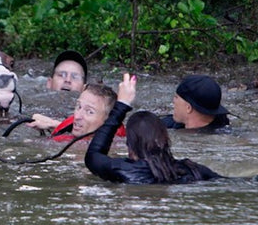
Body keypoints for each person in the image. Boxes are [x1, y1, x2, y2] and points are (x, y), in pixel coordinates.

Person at [85, 73, 223, 184]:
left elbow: (93, 155)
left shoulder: (123, 170)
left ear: (130, 146)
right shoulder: (189, 169)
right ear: (165, 139)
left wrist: (121, 105)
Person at [27, 83, 126, 142]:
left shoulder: (115, 145)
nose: (77, 116)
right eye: (79, 107)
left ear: (108, 121)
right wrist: (54, 124)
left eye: (89, 112)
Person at [161, 75, 230, 132]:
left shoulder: (221, 137)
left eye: (176, 97)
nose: (173, 101)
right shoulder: (169, 124)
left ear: (188, 108)